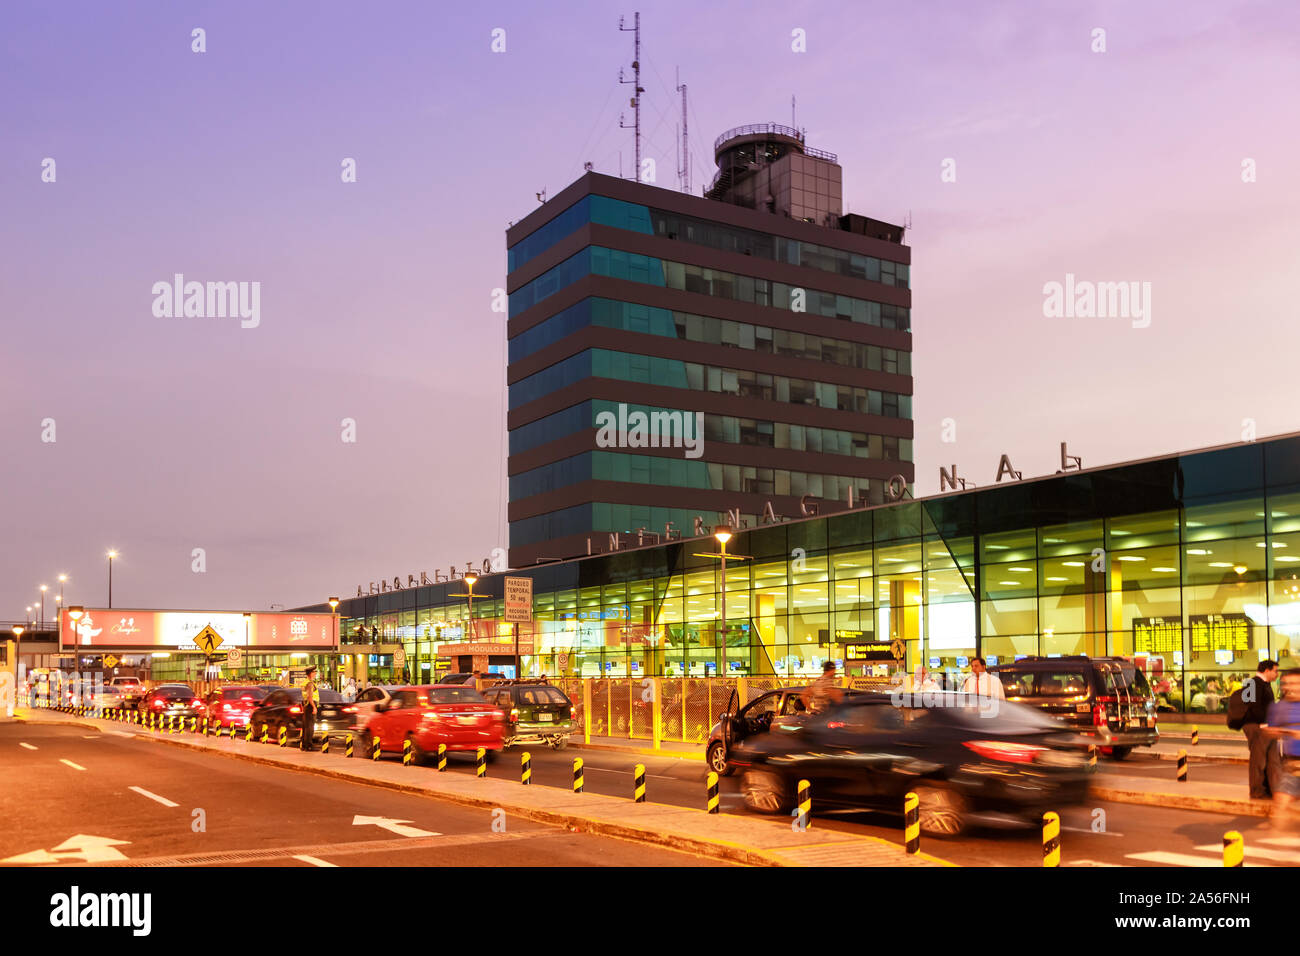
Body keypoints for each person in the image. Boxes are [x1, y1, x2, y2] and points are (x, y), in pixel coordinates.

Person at [1264, 668, 1300, 829]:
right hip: (1292, 763)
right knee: (1280, 801)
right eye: (1287, 683)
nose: (1290, 687)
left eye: (1295, 683)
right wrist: (1280, 731)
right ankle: (1276, 844)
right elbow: (1271, 731)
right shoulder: (1278, 707)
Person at [1242, 660, 1280, 799]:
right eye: (1275, 671)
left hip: (1268, 727)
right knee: (1258, 761)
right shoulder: (1251, 683)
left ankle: (1272, 790)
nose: (1277, 674)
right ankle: (1257, 791)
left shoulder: (1265, 685)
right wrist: (1262, 723)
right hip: (1257, 727)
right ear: (1267, 670)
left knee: (1273, 760)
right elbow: (1251, 706)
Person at [300, 666, 320, 752]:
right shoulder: (310, 683)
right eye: (314, 672)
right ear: (310, 673)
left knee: (306, 726)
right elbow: (309, 696)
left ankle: (304, 745)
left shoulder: (305, 682)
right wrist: (314, 707)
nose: (315, 673)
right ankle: (309, 745)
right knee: (310, 727)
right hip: (310, 705)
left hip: (306, 705)